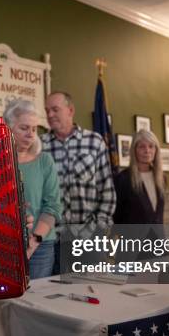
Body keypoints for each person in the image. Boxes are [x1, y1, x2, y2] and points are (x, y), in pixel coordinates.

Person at [41, 91, 116, 274]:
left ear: (70, 110)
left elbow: (107, 191)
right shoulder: (39, 146)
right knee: (53, 297)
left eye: (55, 109)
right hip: (52, 240)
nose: (50, 115)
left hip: (89, 237)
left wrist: (98, 229)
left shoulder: (95, 142)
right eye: (47, 110)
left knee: (93, 293)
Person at [3, 99, 62, 279]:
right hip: (4, 244)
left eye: (34, 129)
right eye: (24, 128)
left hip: (40, 245)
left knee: (35, 301)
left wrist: (33, 243)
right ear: (8, 127)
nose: (31, 134)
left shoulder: (44, 161)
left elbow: (52, 207)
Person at [114, 129, 165, 224]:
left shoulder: (161, 178)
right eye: (142, 147)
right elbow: (116, 216)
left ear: (156, 150)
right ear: (134, 150)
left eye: (151, 146)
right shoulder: (123, 179)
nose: (147, 151)